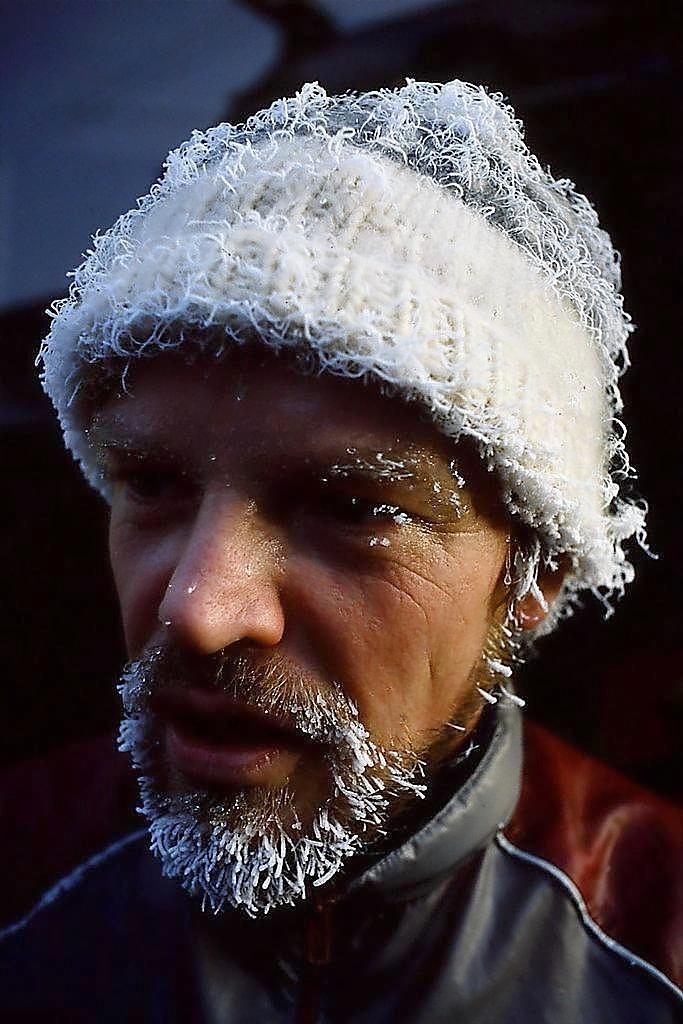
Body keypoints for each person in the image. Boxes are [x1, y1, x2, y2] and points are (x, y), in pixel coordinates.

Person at [1, 79, 681, 1022]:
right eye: (152, 485)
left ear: (535, 574)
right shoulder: (22, 874)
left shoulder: (656, 949)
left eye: (352, 509)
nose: (197, 611)